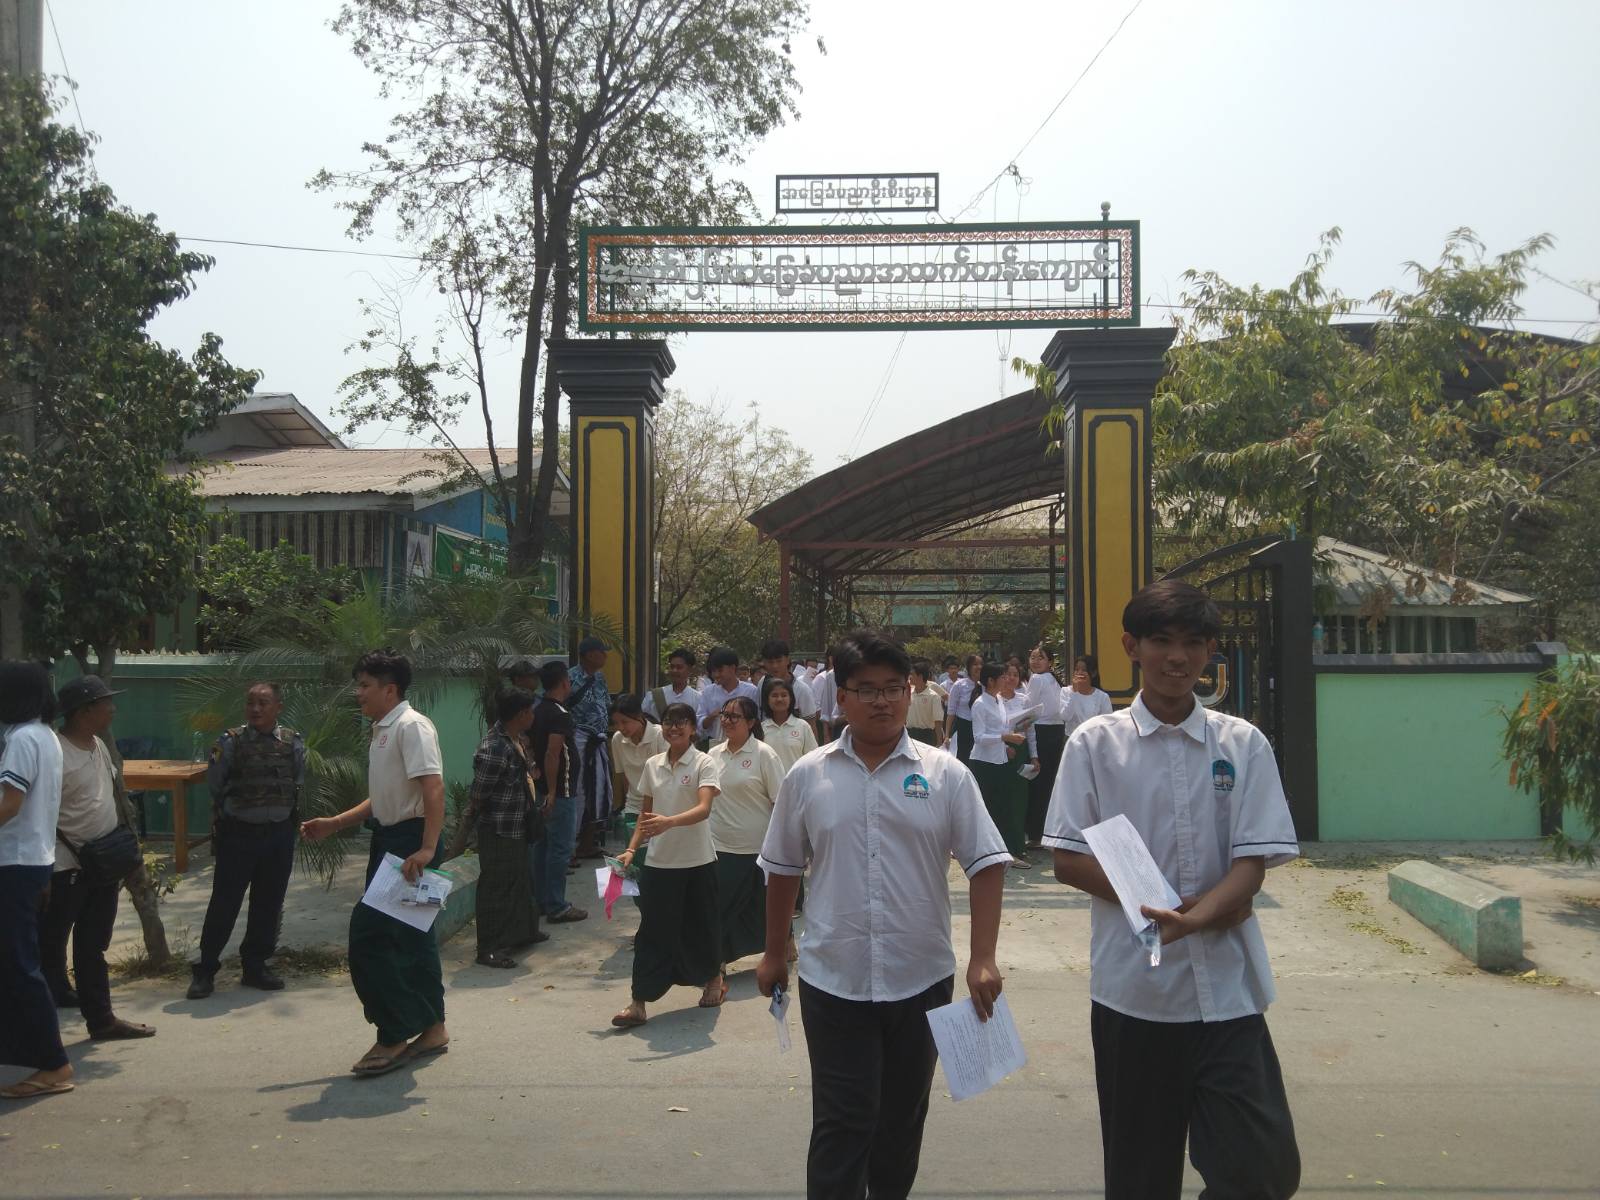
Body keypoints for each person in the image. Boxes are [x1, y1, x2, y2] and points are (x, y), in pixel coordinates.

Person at [1044, 580, 1302, 1200]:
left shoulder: (1242, 744)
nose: (1177, 657)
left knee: (1262, 1172)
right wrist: (1161, 909)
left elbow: (1252, 863)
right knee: (1140, 1180)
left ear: (1211, 650)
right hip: (1136, 998)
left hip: (1229, 994)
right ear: (1132, 646)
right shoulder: (1095, 745)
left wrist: (1200, 915)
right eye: (1161, 641)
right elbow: (1068, 858)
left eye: (1193, 642)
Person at [756, 630, 1010, 1200]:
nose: (882, 701)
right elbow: (782, 868)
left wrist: (984, 958)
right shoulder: (808, 775)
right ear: (841, 697)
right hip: (834, 976)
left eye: (894, 688)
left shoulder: (946, 774)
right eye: (867, 690)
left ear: (909, 692)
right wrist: (774, 952)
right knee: (842, 1121)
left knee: (901, 1120)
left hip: (920, 976)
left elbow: (986, 863)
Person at [301, 650, 449, 1077]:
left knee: (369, 938)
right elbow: (384, 797)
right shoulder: (383, 730)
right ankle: (434, 1028)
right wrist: (336, 823)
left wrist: (426, 849)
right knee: (415, 939)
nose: (358, 693)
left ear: (390, 689)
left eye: (365, 685)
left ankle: (394, 1033)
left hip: (409, 845)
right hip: (391, 840)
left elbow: (433, 788)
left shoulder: (411, 726)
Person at [39, 676, 155, 1041]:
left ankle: (101, 1020)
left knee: (93, 945)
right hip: (65, 868)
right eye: (106, 703)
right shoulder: (54, 752)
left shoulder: (99, 745)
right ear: (84, 711)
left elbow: (113, 798)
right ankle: (39, 1033)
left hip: (103, 863)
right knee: (49, 944)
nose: (113, 709)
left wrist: (129, 854)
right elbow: (38, 814)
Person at [188, 681, 305, 999]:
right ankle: (205, 969)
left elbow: (297, 779)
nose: (255, 709)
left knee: (268, 903)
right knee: (224, 902)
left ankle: (255, 966)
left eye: (263, 703)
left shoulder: (292, 742)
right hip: (239, 835)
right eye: (251, 702)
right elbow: (215, 783)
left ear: (278, 707)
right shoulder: (229, 742)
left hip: (278, 835)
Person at [610, 702, 723, 1027]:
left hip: (698, 860)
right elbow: (645, 815)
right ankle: (638, 1002)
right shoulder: (653, 765)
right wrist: (630, 849)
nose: (674, 728)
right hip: (659, 863)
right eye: (669, 722)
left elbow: (704, 808)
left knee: (702, 925)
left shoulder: (704, 762)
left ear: (693, 728)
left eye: (681, 722)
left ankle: (713, 979)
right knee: (652, 931)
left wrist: (669, 822)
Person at [0, 662, 72, 1100]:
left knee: (20, 966)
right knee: (14, 963)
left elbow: (10, 803)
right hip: (30, 860)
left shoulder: (24, 739)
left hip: (14, 862)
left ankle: (54, 1063)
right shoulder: (44, 735)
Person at [707, 696, 787, 980]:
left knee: (763, 905)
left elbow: (781, 802)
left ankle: (785, 941)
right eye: (724, 715)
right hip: (719, 845)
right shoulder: (713, 755)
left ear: (751, 722)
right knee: (719, 907)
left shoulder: (765, 754)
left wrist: (783, 845)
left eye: (734, 716)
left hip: (757, 846)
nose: (727, 721)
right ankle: (715, 965)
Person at [468, 688, 546, 969]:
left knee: (521, 880)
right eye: (529, 711)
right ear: (521, 714)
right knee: (496, 887)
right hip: (499, 828)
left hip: (517, 825)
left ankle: (523, 931)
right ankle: (488, 947)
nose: (533, 715)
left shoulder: (515, 739)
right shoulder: (494, 747)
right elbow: (479, 793)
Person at [529, 661, 587, 924]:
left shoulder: (538, 710)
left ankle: (542, 900)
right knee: (560, 848)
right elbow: (553, 753)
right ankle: (556, 905)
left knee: (543, 847)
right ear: (564, 682)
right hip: (560, 791)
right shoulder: (559, 714)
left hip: (542, 788)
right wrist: (553, 791)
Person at [969, 663, 1030, 867]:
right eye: (1002, 677)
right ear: (990, 681)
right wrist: (1004, 738)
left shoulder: (998, 701)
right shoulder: (980, 704)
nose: (1006, 680)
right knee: (989, 808)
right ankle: (988, 854)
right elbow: (978, 737)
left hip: (1000, 759)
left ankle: (1005, 853)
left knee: (1003, 808)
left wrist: (1005, 746)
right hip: (984, 763)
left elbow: (1000, 728)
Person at [609, 694, 666, 886]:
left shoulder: (659, 735)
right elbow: (623, 776)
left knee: (658, 866)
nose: (621, 728)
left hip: (660, 810)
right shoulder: (617, 740)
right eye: (616, 723)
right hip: (634, 808)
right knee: (632, 865)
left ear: (639, 716)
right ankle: (641, 903)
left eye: (625, 722)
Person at [567, 637, 613, 860]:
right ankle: (569, 849)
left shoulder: (600, 678)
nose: (605, 656)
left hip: (598, 741)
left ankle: (588, 844)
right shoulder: (570, 678)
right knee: (578, 791)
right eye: (601, 651)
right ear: (588, 654)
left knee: (598, 791)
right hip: (578, 741)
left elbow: (606, 705)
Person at [1023, 646, 1065, 850]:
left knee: (1041, 783)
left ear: (1050, 662)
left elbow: (1028, 707)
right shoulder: (1046, 679)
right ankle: (1039, 831)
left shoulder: (1042, 679)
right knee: (1046, 783)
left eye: (1041, 658)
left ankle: (1037, 832)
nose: (1035, 661)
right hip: (1050, 731)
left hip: (1045, 732)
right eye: (1033, 657)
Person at [697, 646, 759, 745]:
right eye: (713, 671)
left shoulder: (750, 691)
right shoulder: (708, 692)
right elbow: (700, 724)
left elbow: (757, 720)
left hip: (745, 744)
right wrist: (712, 716)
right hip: (715, 744)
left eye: (720, 670)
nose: (716, 675)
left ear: (732, 668)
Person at [759, 676, 817, 774]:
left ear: (791, 699)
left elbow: (813, 759)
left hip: (797, 782)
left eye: (784, 695)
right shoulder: (761, 728)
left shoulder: (803, 726)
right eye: (774, 695)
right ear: (767, 700)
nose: (779, 699)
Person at [758, 638, 820, 726]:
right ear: (764, 662)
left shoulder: (802, 690)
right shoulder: (762, 683)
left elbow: (811, 725)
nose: (775, 666)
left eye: (779, 661)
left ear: (787, 660)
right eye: (770, 662)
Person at [1061, 653, 1113, 739]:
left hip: (1093, 739)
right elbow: (1065, 717)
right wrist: (1074, 693)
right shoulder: (1066, 691)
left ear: (1093, 673)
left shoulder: (1102, 697)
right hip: (1072, 738)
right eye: (1077, 670)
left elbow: (1107, 723)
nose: (1079, 673)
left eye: (1084, 670)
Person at [642, 647, 701, 722]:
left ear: (690, 670)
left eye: (679, 667)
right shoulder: (653, 696)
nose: (674, 670)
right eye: (672, 667)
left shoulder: (698, 699)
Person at [944, 653, 983, 760]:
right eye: (975, 664)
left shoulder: (985, 686)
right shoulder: (959, 685)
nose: (979, 667)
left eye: (981, 664)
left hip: (980, 728)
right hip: (963, 727)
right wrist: (947, 735)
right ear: (968, 667)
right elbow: (951, 712)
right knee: (963, 758)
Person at [905, 660, 944, 745]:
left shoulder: (934, 696)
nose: (910, 677)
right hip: (910, 735)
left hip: (927, 736)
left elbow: (938, 722)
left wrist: (939, 742)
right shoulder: (908, 694)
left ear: (920, 676)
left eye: (912, 674)